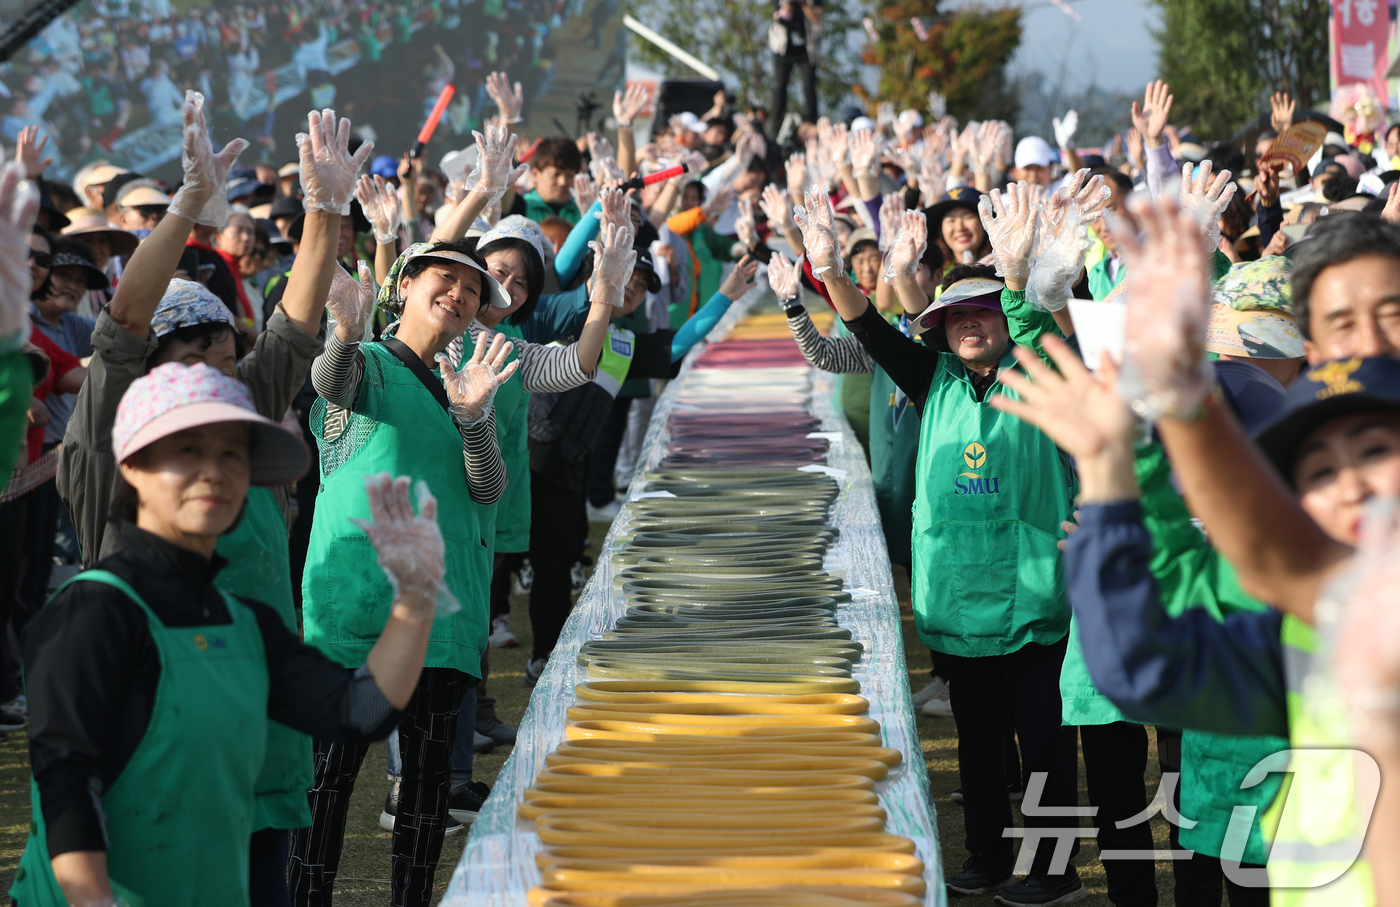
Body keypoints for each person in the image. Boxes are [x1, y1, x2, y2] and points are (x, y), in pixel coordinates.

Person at [58, 96, 369, 907]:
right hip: (156, 757)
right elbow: (123, 326)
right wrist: (191, 204)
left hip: (256, 739)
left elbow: (296, 327)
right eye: (193, 354)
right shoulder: (110, 445)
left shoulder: (240, 415)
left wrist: (326, 210)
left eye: (228, 350)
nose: (220, 371)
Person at [14, 362, 453, 907]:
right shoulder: (91, 613)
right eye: (187, 451)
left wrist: (415, 595)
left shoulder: (243, 621)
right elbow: (67, 783)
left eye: (231, 453)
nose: (214, 472)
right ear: (132, 467)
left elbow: (359, 711)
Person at [792, 182, 1085, 902]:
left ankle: (1054, 868)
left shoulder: (1041, 371)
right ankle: (986, 854)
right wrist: (830, 271)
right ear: (940, 330)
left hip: (1036, 592)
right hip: (958, 596)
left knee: (1043, 742)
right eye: (957, 317)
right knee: (980, 742)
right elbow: (868, 330)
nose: (972, 325)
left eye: (985, 312)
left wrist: (1014, 278)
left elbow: (1043, 329)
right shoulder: (934, 379)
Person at [291, 226, 519, 906]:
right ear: (408, 286)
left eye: (473, 289)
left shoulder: (468, 382)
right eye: (445, 279)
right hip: (353, 615)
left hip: (445, 616)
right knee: (326, 783)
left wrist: (475, 418)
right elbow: (329, 380)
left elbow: (488, 490)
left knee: (425, 791)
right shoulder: (366, 364)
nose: (459, 293)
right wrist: (346, 330)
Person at [768, 0, 823, 137]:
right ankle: (776, 126)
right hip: (784, 49)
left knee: (809, 87)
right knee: (780, 87)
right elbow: (781, 16)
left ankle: (811, 122)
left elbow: (816, 19)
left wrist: (803, 4)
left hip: (806, 51)